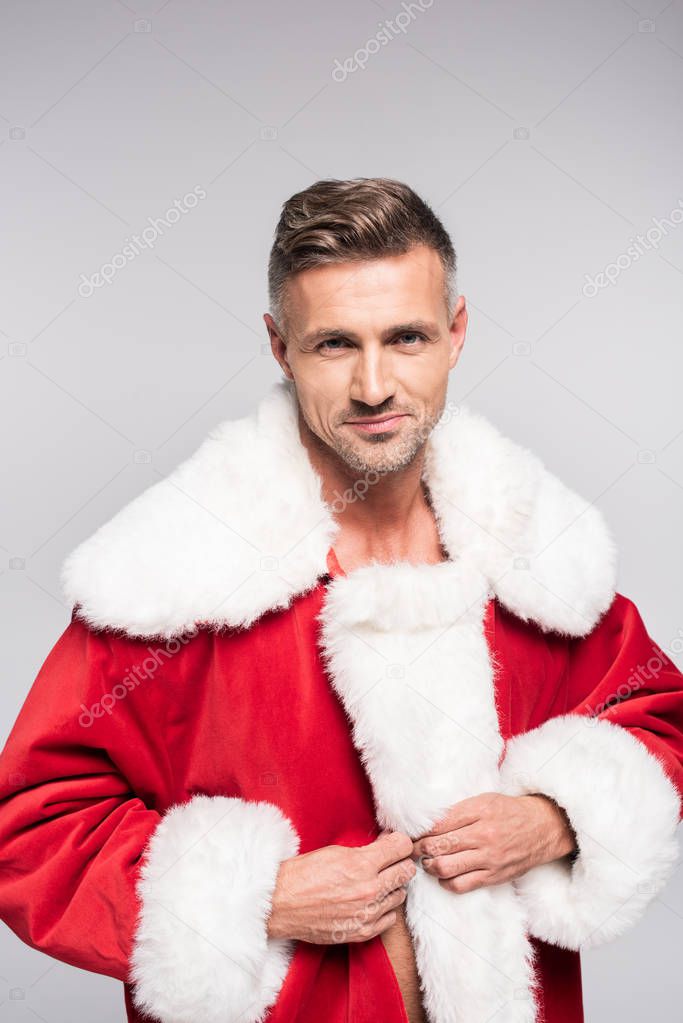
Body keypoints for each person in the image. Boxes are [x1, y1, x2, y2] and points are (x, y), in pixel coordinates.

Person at [0, 177, 681, 1023]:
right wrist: (254, 895)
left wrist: (555, 817)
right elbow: (30, 829)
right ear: (279, 347)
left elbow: (656, 718)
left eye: (406, 337)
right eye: (332, 344)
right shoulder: (179, 582)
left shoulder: (537, 560)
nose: (372, 386)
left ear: (457, 333)